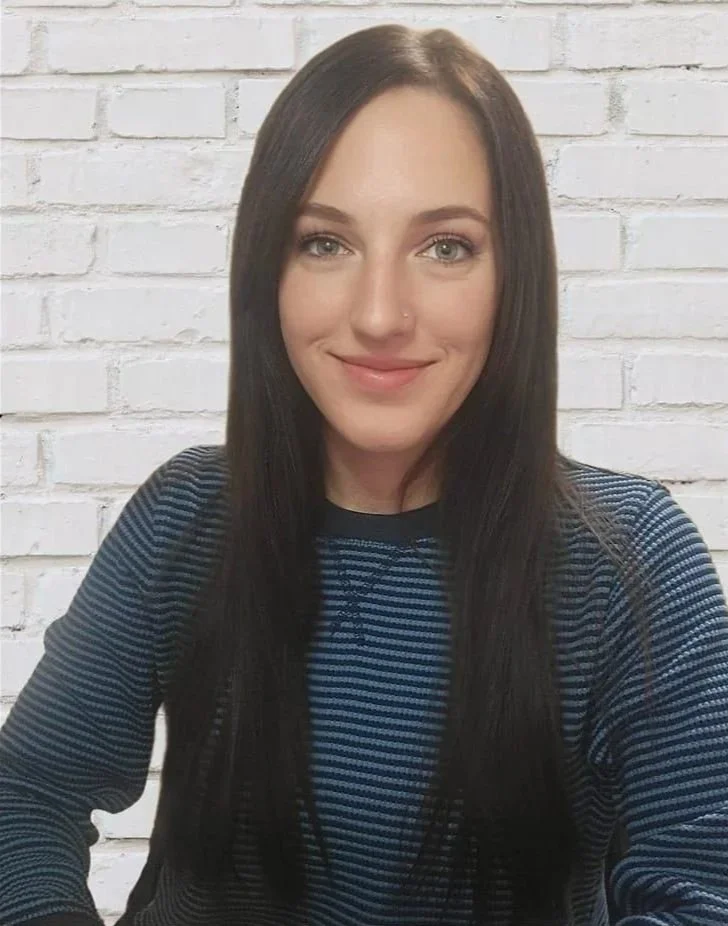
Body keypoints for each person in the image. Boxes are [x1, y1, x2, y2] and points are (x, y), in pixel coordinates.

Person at [1, 22, 726, 926]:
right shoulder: (185, 521)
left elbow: (703, 891)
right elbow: (26, 791)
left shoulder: (632, 564)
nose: (380, 313)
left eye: (446, 247)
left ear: (516, 275)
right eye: (325, 243)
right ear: (268, 269)